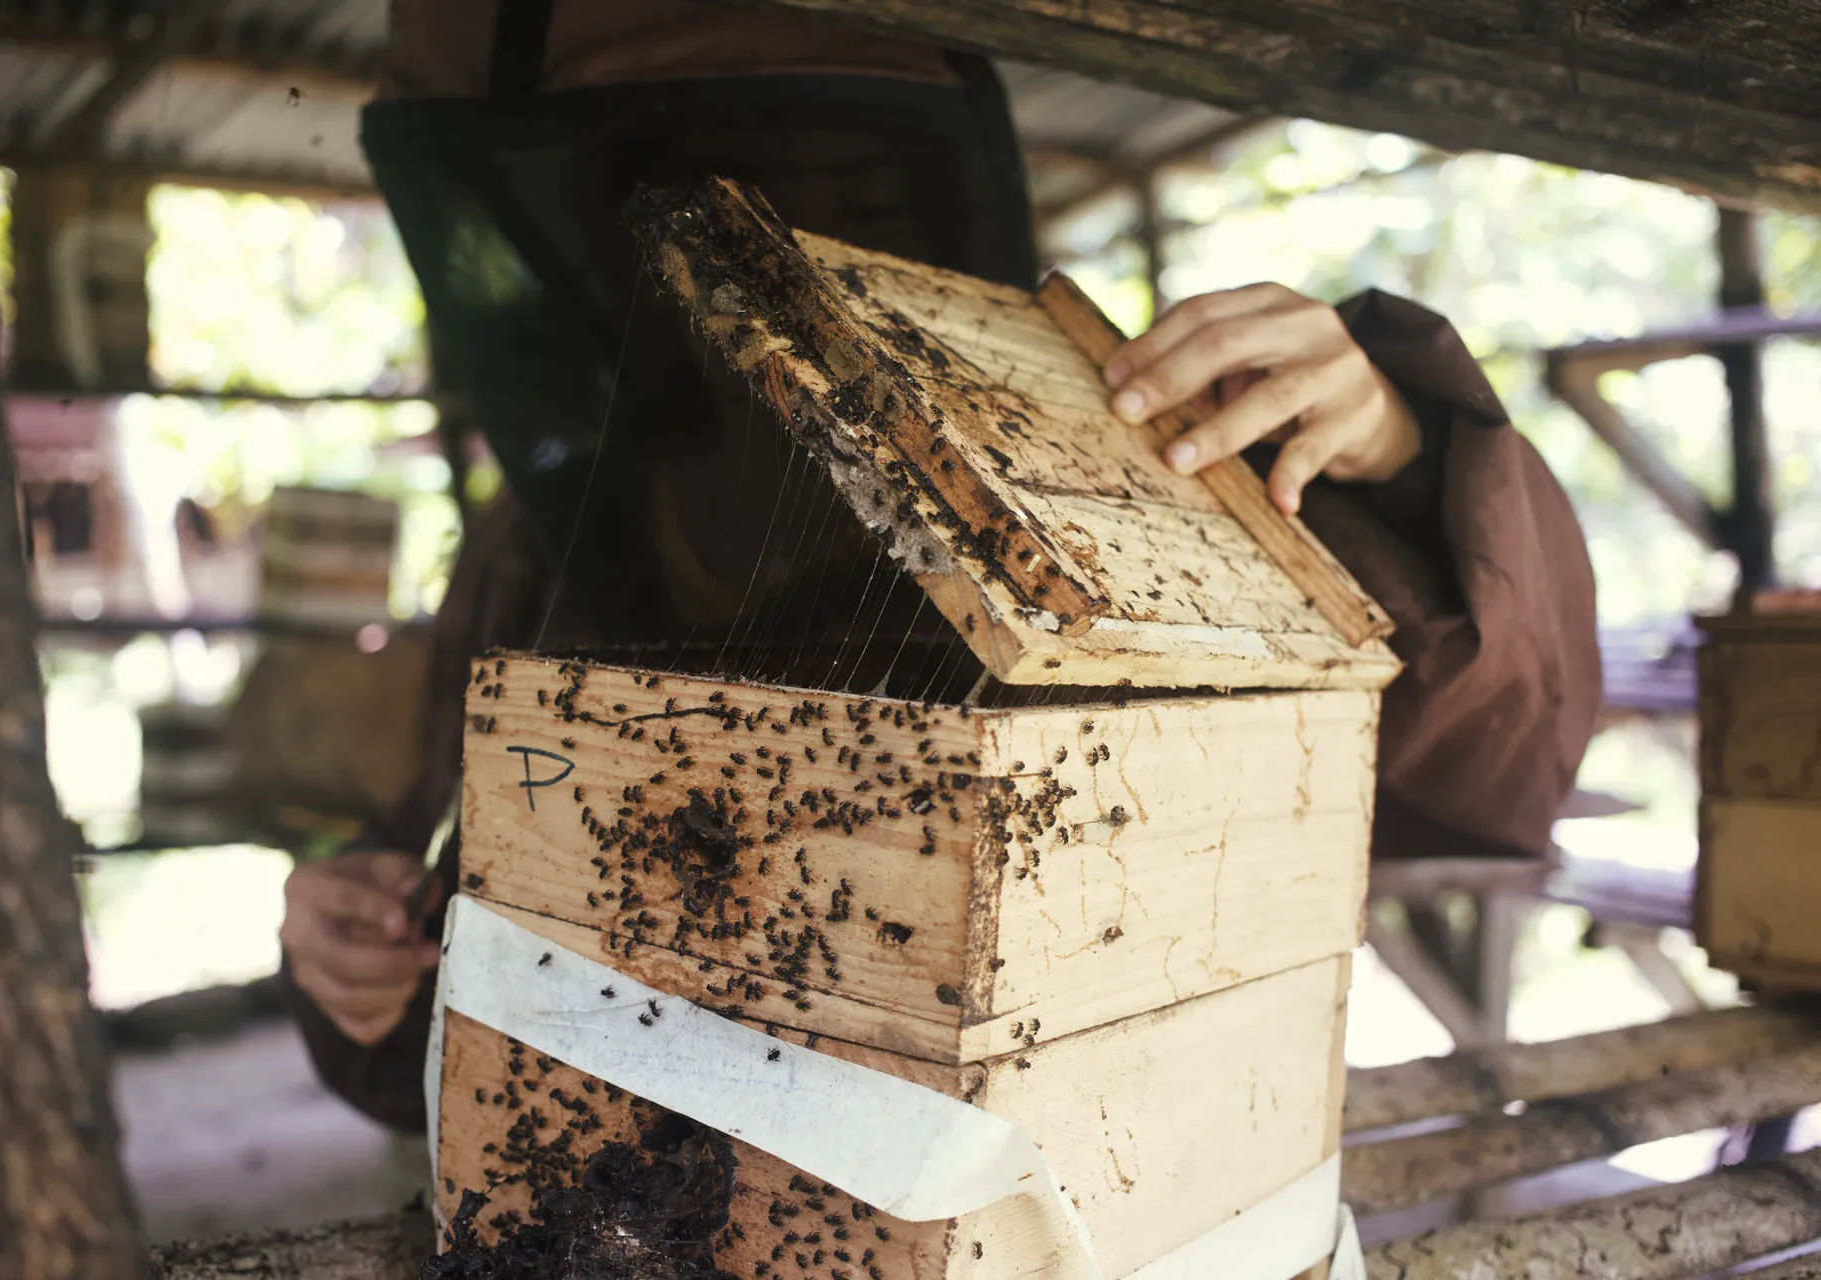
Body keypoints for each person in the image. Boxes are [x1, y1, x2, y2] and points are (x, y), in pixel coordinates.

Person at [279, 0, 1600, 1134]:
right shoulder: (541, 553)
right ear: (636, 240)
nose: (807, 252)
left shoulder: (1089, 503)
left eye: (865, 202)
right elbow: (467, 874)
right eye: (749, 202)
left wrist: (1392, 442)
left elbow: (1458, 728)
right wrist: (361, 959)